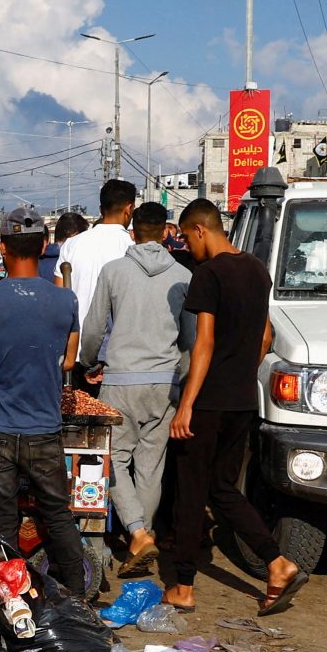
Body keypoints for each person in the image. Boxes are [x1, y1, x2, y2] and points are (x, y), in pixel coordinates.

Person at [164, 199, 303, 615]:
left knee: (190, 491)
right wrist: (242, 371)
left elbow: (203, 344)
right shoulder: (257, 270)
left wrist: (186, 405)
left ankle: (183, 586)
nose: (187, 246)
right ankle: (277, 563)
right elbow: (264, 338)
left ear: (200, 230)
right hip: (243, 398)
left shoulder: (209, 275)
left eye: (187, 238)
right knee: (224, 488)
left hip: (207, 401)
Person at [0, 205, 88, 595]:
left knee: (2, 517)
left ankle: (6, 597)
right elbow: (70, 360)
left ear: (2, 248)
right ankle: (76, 594)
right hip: (42, 427)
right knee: (56, 513)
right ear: (44, 245)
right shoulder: (64, 300)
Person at [80, 200, 190, 576]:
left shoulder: (114, 271)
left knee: (111, 462)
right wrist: (179, 377)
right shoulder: (182, 275)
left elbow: (94, 327)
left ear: (133, 231)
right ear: (164, 233)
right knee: (150, 468)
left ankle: (138, 533)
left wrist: (88, 360)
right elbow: (189, 339)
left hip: (122, 381)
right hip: (166, 384)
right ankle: (141, 539)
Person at [57, 181, 138, 320]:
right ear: (129, 209)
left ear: (101, 209)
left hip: (77, 337)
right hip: (117, 338)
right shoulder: (133, 247)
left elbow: (59, 295)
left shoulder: (70, 244)